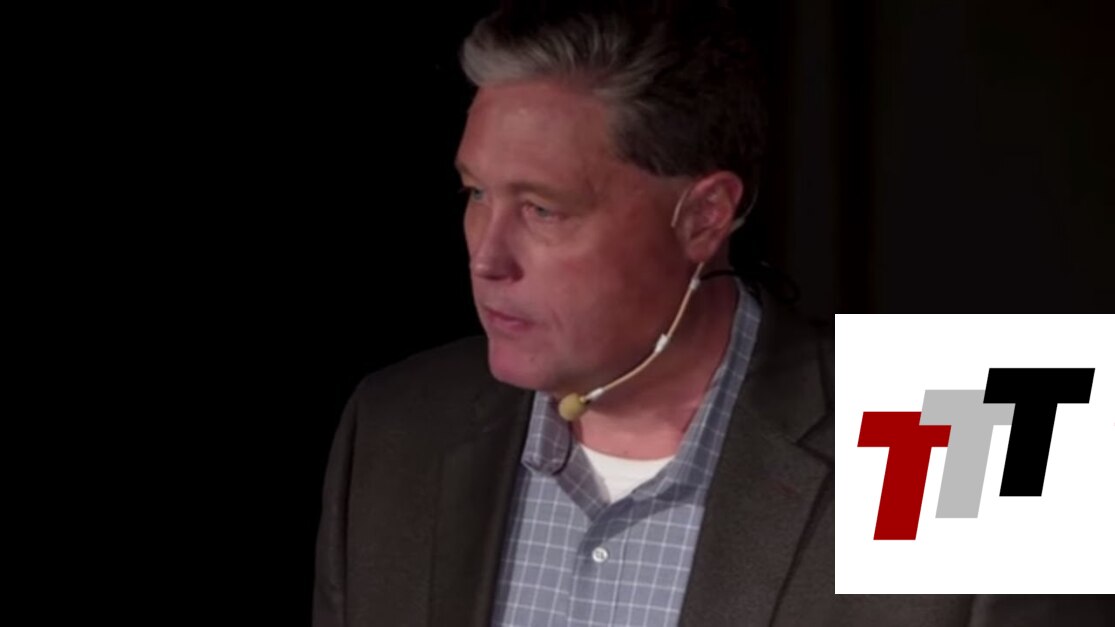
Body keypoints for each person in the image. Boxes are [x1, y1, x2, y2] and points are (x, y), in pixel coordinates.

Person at [313, 2, 1113, 625]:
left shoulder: (987, 431)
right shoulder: (395, 428)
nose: (486, 257)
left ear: (702, 217)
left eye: (543, 209)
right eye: (476, 194)